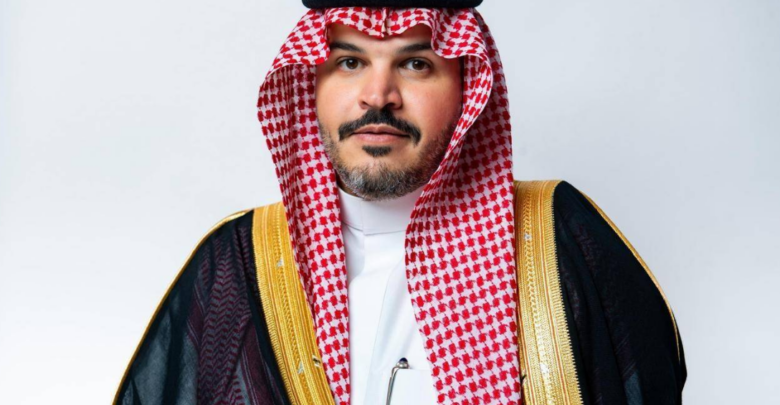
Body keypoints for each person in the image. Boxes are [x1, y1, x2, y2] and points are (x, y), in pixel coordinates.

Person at [114, 1, 686, 404]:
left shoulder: (562, 243)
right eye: (349, 62)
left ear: (465, 86)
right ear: (311, 83)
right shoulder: (236, 265)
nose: (378, 96)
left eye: (416, 64)